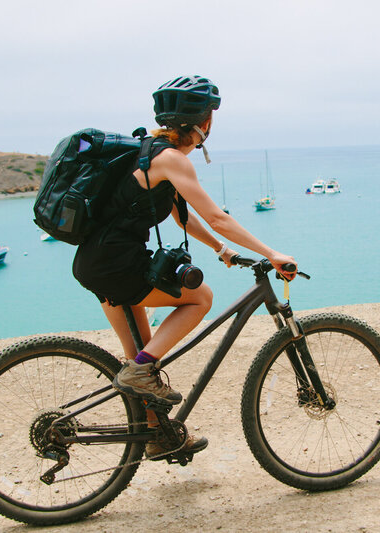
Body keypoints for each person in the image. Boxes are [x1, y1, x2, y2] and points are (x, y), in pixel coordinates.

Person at [72, 75, 296, 457]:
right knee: (200, 298)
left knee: (141, 361)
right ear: (204, 123)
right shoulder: (172, 159)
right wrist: (271, 252)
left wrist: (221, 250)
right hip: (115, 266)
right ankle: (141, 373)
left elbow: (184, 217)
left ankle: (159, 438)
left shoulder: (151, 151)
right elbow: (216, 216)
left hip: (99, 262)